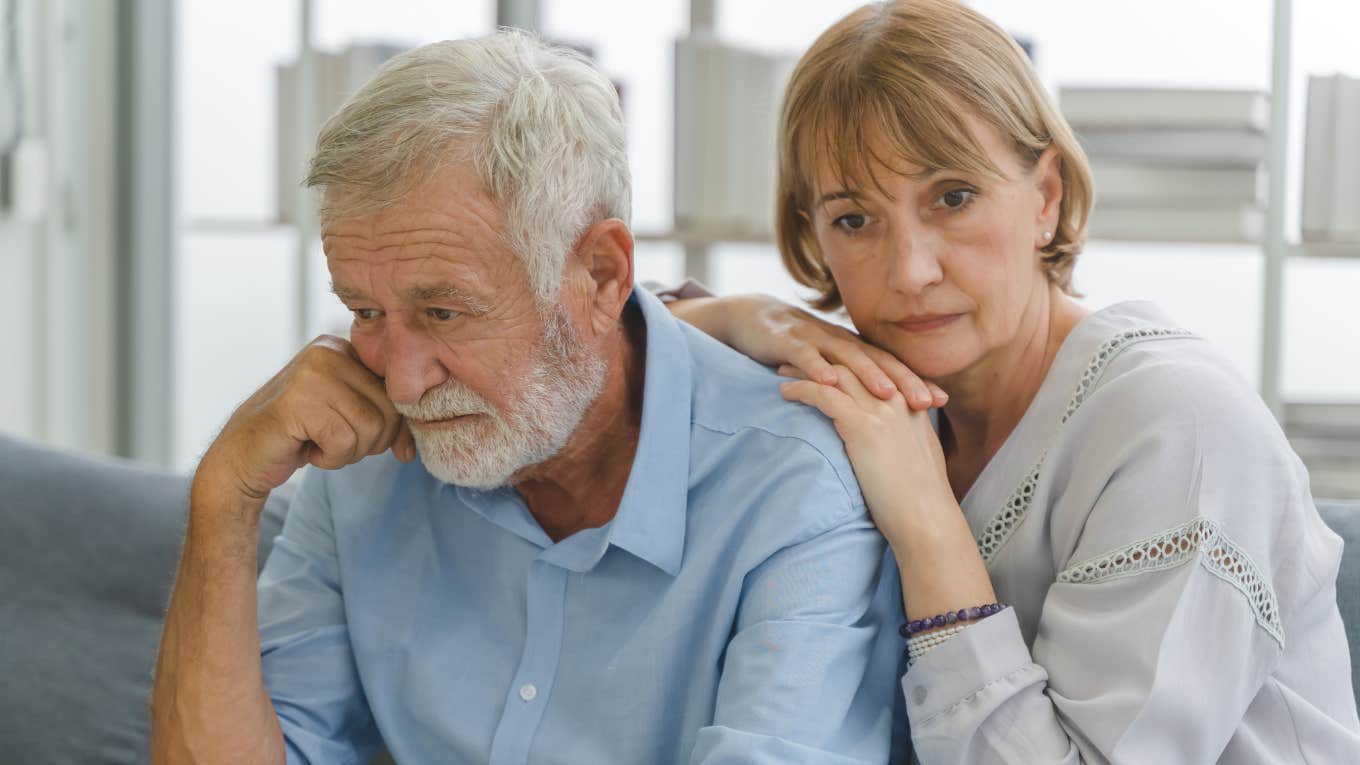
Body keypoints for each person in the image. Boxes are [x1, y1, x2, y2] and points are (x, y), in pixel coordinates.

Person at [149, 30, 903, 765]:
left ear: (602, 276)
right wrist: (225, 494)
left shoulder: (792, 488)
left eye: (445, 312)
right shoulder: (362, 461)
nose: (404, 381)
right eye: (367, 312)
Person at [668, 1, 1360, 761]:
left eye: (953, 197)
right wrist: (750, 317)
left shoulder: (1180, 427)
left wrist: (927, 518)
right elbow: (589, 341)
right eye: (854, 220)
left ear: (1046, 197)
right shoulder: (879, 396)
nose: (910, 271)